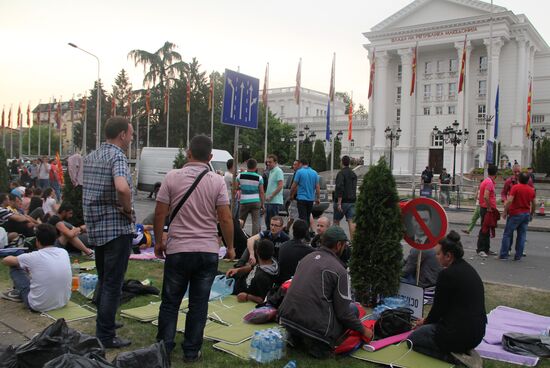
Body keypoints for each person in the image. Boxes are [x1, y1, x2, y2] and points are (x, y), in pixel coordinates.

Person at [153, 135, 235, 363]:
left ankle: (163, 348)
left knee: (170, 302)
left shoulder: (172, 177)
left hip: (178, 249)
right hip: (207, 251)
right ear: (210, 157)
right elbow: (226, 218)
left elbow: (160, 212)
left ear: (188, 153)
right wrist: (230, 247)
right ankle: (191, 351)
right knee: (199, 304)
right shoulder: (217, 181)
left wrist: (159, 242)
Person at [278, 226, 373, 358]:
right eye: (344, 245)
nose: (345, 248)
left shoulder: (306, 258)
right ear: (339, 245)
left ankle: (296, 337)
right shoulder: (339, 270)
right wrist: (364, 330)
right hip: (315, 326)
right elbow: (344, 313)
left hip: (286, 318)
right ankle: (320, 346)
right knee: (353, 308)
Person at [83, 116, 135, 349]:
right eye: (130, 134)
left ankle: (106, 322)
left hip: (96, 226)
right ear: (122, 134)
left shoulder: (92, 157)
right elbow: (122, 187)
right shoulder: (117, 156)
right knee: (113, 283)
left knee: (105, 279)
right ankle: (105, 335)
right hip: (115, 227)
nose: (131, 139)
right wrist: (128, 209)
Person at [408, 231, 486, 365]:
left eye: (438, 254)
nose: (436, 257)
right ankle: (461, 351)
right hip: (477, 334)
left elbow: (438, 310)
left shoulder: (447, 275)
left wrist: (424, 322)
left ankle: (457, 359)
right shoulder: (468, 269)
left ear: (448, 256)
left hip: (458, 334)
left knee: (413, 340)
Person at [1, 223, 71, 312]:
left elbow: (6, 261)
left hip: (37, 305)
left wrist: (22, 264)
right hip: (62, 301)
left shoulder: (33, 256)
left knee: (14, 266)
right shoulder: (63, 252)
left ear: (37, 241)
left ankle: (18, 293)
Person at [226, 239, 278, 304]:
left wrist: (247, 297)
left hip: (234, 290)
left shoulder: (263, 277)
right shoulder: (270, 261)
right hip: (235, 281)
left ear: (257, 252)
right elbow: (252, 267)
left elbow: (264, 299)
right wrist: (237, 270)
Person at [498, 173, 536, 261]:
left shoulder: (515, 187)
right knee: (522, 235)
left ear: (519, 179)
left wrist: (505, 211)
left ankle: (504, 254)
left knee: (507, 234)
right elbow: (534, 203)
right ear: (528, 181)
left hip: (515, 213)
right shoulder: (531, 190)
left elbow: (509, 201)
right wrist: (531, 213)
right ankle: (518, 256)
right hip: (526, 213)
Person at [277, 219, 313, 285]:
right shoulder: (309, 251)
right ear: (305, 233)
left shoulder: (283, 246)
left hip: (281, 283)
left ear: (293, 230)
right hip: (296, 284)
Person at [236, 158, 264, 235]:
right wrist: (262, 204)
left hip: (244, 201)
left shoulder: (240, 176)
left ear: (247, 166)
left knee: (241, 220)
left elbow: (235, 187)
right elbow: (261, 192)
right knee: (255, 222)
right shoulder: (259, 177)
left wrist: (242, 187)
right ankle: (254, 240)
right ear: (255, 167)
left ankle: (238, 235)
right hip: (255, 201)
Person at [290, 158, 320, 228]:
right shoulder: (315, 173)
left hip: (301, 198)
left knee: (302, 219)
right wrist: (318, 198)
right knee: (307, 216)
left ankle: (305, 235)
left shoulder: (299, 172)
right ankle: (307, 234)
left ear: (300, 164)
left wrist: (291, 195)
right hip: (310, 199)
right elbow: (317, 187)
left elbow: (294, 186)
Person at [476, 164, 498, 257]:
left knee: (487, 228)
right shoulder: (489, 183)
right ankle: (481, 249)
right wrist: (489, 207)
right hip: (486, 209)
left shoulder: (486, 181)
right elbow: (486, 196)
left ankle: (486, 248)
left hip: (485, 208)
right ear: (496, 173)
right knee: (484, 229)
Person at [333, 155, 358, 239]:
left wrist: (339, 203)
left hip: (342, 201)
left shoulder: (341, 173)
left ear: (342, 162)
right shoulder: (353, 174)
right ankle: (353, 243)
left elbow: (340, 187)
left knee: (336, 221)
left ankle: (337, 241)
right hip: (352, 201)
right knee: (352, 222)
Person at [264, 154, 284, 229]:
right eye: (267, 162)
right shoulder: (271, 171)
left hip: (274, 201)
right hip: (270, 201)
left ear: (275, 162)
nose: (268, 163)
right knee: (268, 222)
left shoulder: (278, 171)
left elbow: (280, 185)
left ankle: (273, 238)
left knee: (274, 223)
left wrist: (271, 195)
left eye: (270, 162)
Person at [284, 160, 302, 232]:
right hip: (303, 198)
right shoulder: (299, 173)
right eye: (293, 164)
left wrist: (291, 195)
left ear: (299, 165)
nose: (293, 166)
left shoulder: (298, 173)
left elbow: (295, 186)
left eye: (295, 165)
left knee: (292, 215)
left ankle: (288, 229)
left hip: (296, 198)